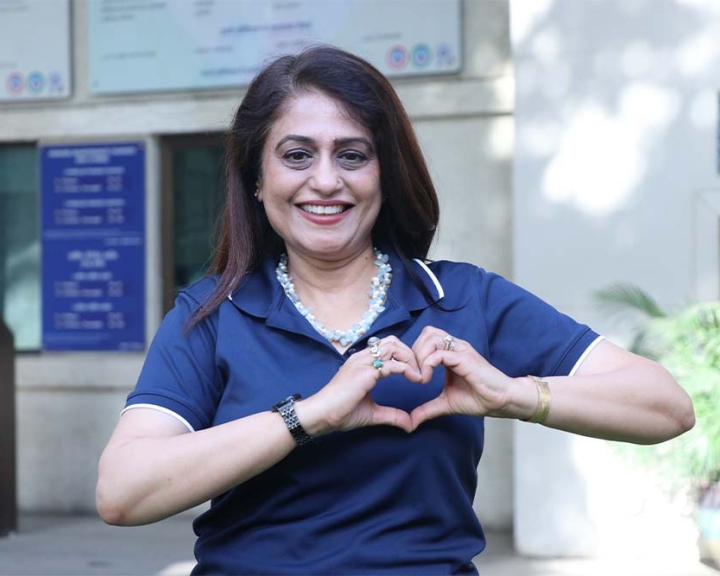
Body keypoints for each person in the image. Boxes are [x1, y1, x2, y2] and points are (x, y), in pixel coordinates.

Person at [96, 45, 695, 574]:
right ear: (257, 177)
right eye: (298, 155)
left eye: (352, 155)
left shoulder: (464, 298)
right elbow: (122, 493)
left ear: (386, 174)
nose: (325, 180)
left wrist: (513, 394)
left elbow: (665, 407)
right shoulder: (212, 313)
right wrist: (309, 417)